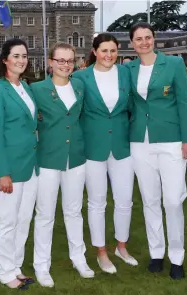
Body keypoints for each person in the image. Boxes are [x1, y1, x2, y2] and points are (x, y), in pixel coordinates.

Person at [125, 23, 187, 280]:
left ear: (154, 39)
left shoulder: (174, 65)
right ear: (132, 43)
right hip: (139, 141)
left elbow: (185, 103)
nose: (144, 42)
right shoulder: (127, 69)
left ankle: (176, 256)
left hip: (171, 140)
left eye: (148, 37)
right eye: (138, 39)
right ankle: (157, 253)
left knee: (173, 200)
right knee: (150, 200)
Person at [30, 43, 94, 288]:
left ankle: (79, 257)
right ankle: (41, 265)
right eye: (61, 60)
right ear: (50, 62)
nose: (65, 65)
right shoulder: (36, 89)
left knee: (74, 211)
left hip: (76, 156)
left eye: (70, 60)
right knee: (45, 214)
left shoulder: (79, 85)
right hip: (47, 157)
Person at [73, 33, 138, 274]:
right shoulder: (80, 77)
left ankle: (122, 246)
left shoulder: (126, 73)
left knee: (125, 200)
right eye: (104, 50)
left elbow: (135, 104)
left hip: (122, 145)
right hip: (92, 147)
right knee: (97, 202)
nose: (109, 55)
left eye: (113, 51)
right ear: (95, 51)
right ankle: (101, 252)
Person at [0, 39, 39, 290]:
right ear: (4, 59)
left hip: (30, 166)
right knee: (7, 221)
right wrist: (2, 172)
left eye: (24, 56)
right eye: (15, 55)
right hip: (9, 169)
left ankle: (15, 266)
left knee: (24, 219)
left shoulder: (25, 86)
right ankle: (5, 272)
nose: (21, 60)